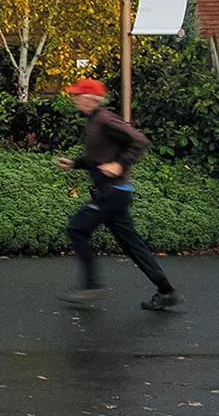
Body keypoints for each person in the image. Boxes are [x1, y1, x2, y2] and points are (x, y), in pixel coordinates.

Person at [54, 77, 179, 311]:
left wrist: (120, 165)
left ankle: (91, 287)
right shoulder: (93, 120)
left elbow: (139, 140)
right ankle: (166, 291)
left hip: (113, 193)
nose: (74, 99)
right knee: (133, 246)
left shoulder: (105, 119)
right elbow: (98, 156)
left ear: (91, 99)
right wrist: (74, 164)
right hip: (113, 193)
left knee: (76, 229)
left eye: (78, 95)